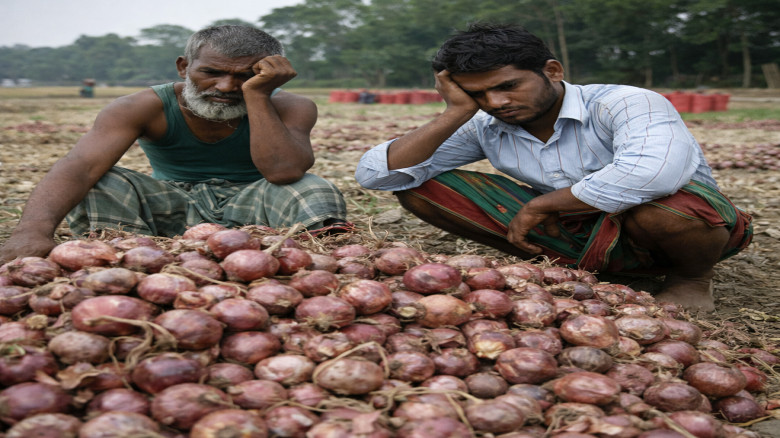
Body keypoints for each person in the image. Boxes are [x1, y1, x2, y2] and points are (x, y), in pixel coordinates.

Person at [355, 23, 752, 312]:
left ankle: (691, 279)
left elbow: (654, 174)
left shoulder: (625, 102)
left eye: (508, 86)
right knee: (420, 186)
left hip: (676, 229)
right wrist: (455, 113)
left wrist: (543, 205)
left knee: (666, 209)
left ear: (552, 71)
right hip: (576, 232)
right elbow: (375, 174)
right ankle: (569, 266)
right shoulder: (484, 122)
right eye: (477, 94)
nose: (494, 102)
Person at [0, 25, 349, 265]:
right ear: (184, 67)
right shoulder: (140, 106)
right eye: (210, 72)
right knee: (100, 181)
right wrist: (31, 231)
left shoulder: (290, 104)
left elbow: (283, 171)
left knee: (313, 188)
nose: (226, 87)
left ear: (267, 77)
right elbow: (80, 166)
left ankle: (302, 266)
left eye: (244, 75)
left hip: (256, 201)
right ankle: (125, 262)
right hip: (171, 203)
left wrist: (258, 95)